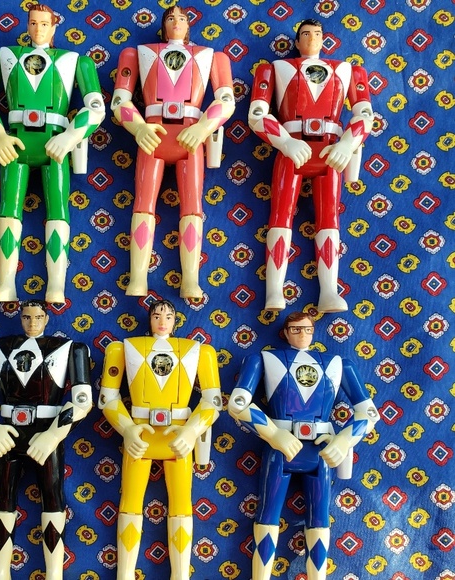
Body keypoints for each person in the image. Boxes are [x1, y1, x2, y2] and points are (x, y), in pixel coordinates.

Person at [228, 311, 379, 580]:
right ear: (285, 332)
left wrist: (344, 439)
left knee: (320, 519)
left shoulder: (338, 363)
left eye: (307, 329)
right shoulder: (263, 358)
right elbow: (237, 403)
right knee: (267, 515)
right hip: (281, 448)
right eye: (296, 329)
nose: (302, 334)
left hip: (321, 450)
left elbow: (369, 413)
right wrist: (274, 433)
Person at [0, 3, 105, 304]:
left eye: (44, 23)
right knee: (8, 210)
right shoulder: (1, 56)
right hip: (15, 142)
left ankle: (56, 285)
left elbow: (97, 107)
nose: (38, 29)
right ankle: (6, 282)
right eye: (33, 22)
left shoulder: (76, 61)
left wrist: (71, 135)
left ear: (54, 26)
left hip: (54, 143)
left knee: (58, 211)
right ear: (27, 25)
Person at [0, 299, 93, 580]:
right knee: (2, 499)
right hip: (7, 433)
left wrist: (53, 434)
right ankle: (0, 572)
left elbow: (83, 400)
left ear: (47, 318)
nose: (32, 323)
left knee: (53, 499)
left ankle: (54, 574)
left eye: (38, 317)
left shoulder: (71, 349)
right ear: (20, 318)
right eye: (27, 317)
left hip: (47, 432)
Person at [248, 18, 374, 312]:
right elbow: (257, 114)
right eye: (305, 34)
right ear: (296, 41)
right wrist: (285, 142)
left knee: (330, 219)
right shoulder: (274, 68)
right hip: (292, 149)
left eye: (317, 33)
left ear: (324, 39)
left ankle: (329, 290)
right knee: (280, 217)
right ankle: (274, 290)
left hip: (330, 150)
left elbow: (366, 114)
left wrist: (346, 144)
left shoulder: (349, 70)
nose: (312, 38)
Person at [111, 6, 235, 299]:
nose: (176, 21)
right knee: (143, 205)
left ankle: (190, 279)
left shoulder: (212, 56)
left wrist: (203, 127)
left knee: (192, 207)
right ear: (163, 25)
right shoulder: (136, 53)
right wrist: (138, 127)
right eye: (170, 17)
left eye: (182, 18)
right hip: (152, 134)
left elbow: (227, 100)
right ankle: (137, 277)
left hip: (190, 136)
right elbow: (119, 100)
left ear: (189, 25)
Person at [98, 299, 222, 579]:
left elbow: (213, 401)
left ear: (176, 320)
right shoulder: (122, 348)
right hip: (140, 435)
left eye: (168, 316)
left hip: (178, 436)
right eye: (156, 315)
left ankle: (180, 574)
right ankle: (124, 573)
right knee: (130, 502)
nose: (162, 321)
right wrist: (127, 428)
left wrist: (191, 430)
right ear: (149, 319)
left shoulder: (200, 352)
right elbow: (107, 398)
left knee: (182, 504)